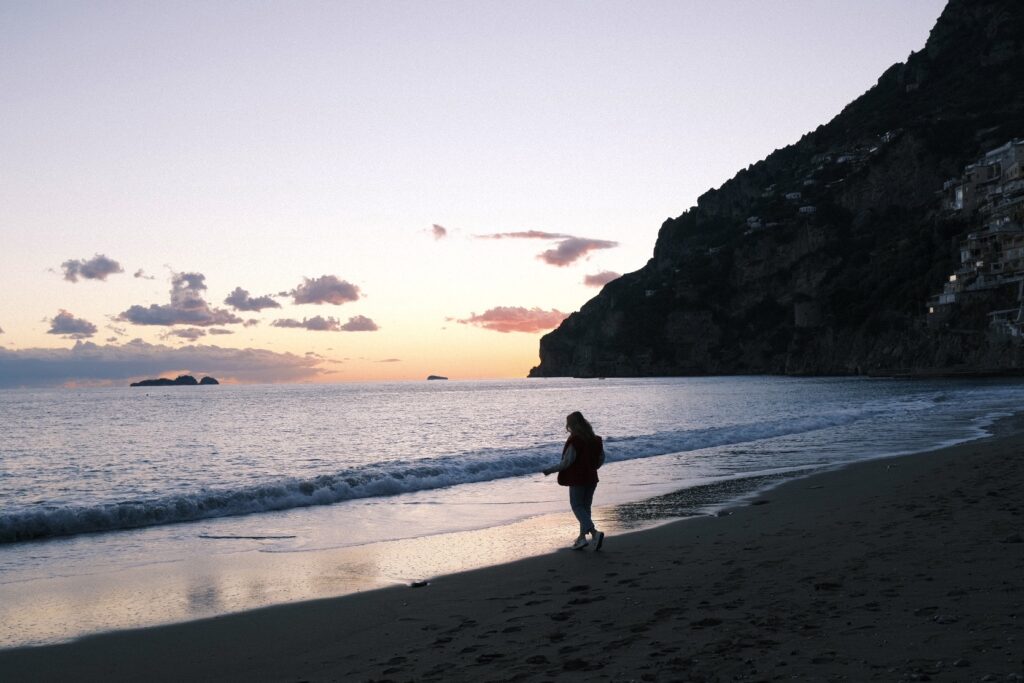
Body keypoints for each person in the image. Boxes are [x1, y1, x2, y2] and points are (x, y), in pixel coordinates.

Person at [543, 411, 606, 550]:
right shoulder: (595, 439)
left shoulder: (575, 441)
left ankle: (595, 533)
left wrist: (550, 470)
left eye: (569, 424)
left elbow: (567, 463)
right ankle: (582, 538)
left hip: (578, 478)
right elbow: (601, 458)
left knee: (577, 506)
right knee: (585, 508)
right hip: (592, 478)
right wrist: (593, 467)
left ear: (572, 425)